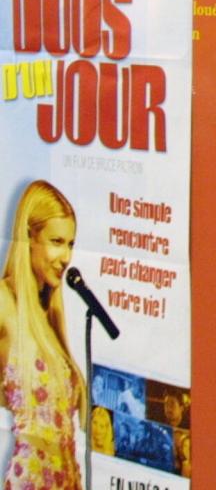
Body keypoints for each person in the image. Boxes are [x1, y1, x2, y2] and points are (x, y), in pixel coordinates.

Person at [0, 180, 84, 490]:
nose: (65, 257)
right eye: (56, 241)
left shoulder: (49, 316)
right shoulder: (4, 302)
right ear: (27, 238)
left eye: (71, 244)